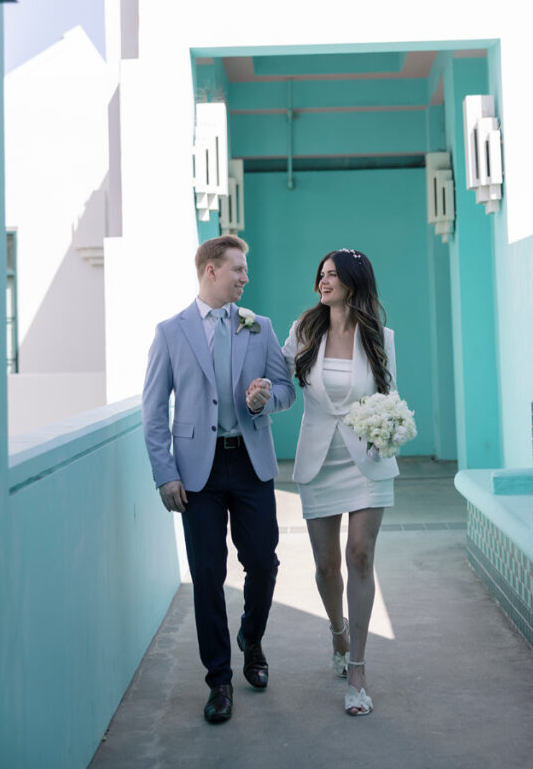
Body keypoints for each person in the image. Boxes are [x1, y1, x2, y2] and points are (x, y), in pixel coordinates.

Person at [142, 235, 295, 724]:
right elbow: (152, 413)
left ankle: (251, 636)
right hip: (196, 474)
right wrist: (165, 473)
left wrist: (263, 400)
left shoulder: (260, 326)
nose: (246, 277)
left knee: (263, 563)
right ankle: (219, 681)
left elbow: (287, 390)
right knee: (208, 575)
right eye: (238, 270)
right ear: (211, 270)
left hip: (250, 464)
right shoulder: (170, 332)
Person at [282, 248, 399, 717]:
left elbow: (391, 395)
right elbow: (282, 380)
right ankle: (337, 631)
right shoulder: (303, 330)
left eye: (332, 275)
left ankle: (358, 669)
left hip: (367, 460)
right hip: (318, 461)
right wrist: (261, 393)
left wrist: (387, 435)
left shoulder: (380, 336)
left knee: (361, 556)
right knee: (328, 566)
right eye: (321, 275)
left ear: (353, 282)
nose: (323, 282)